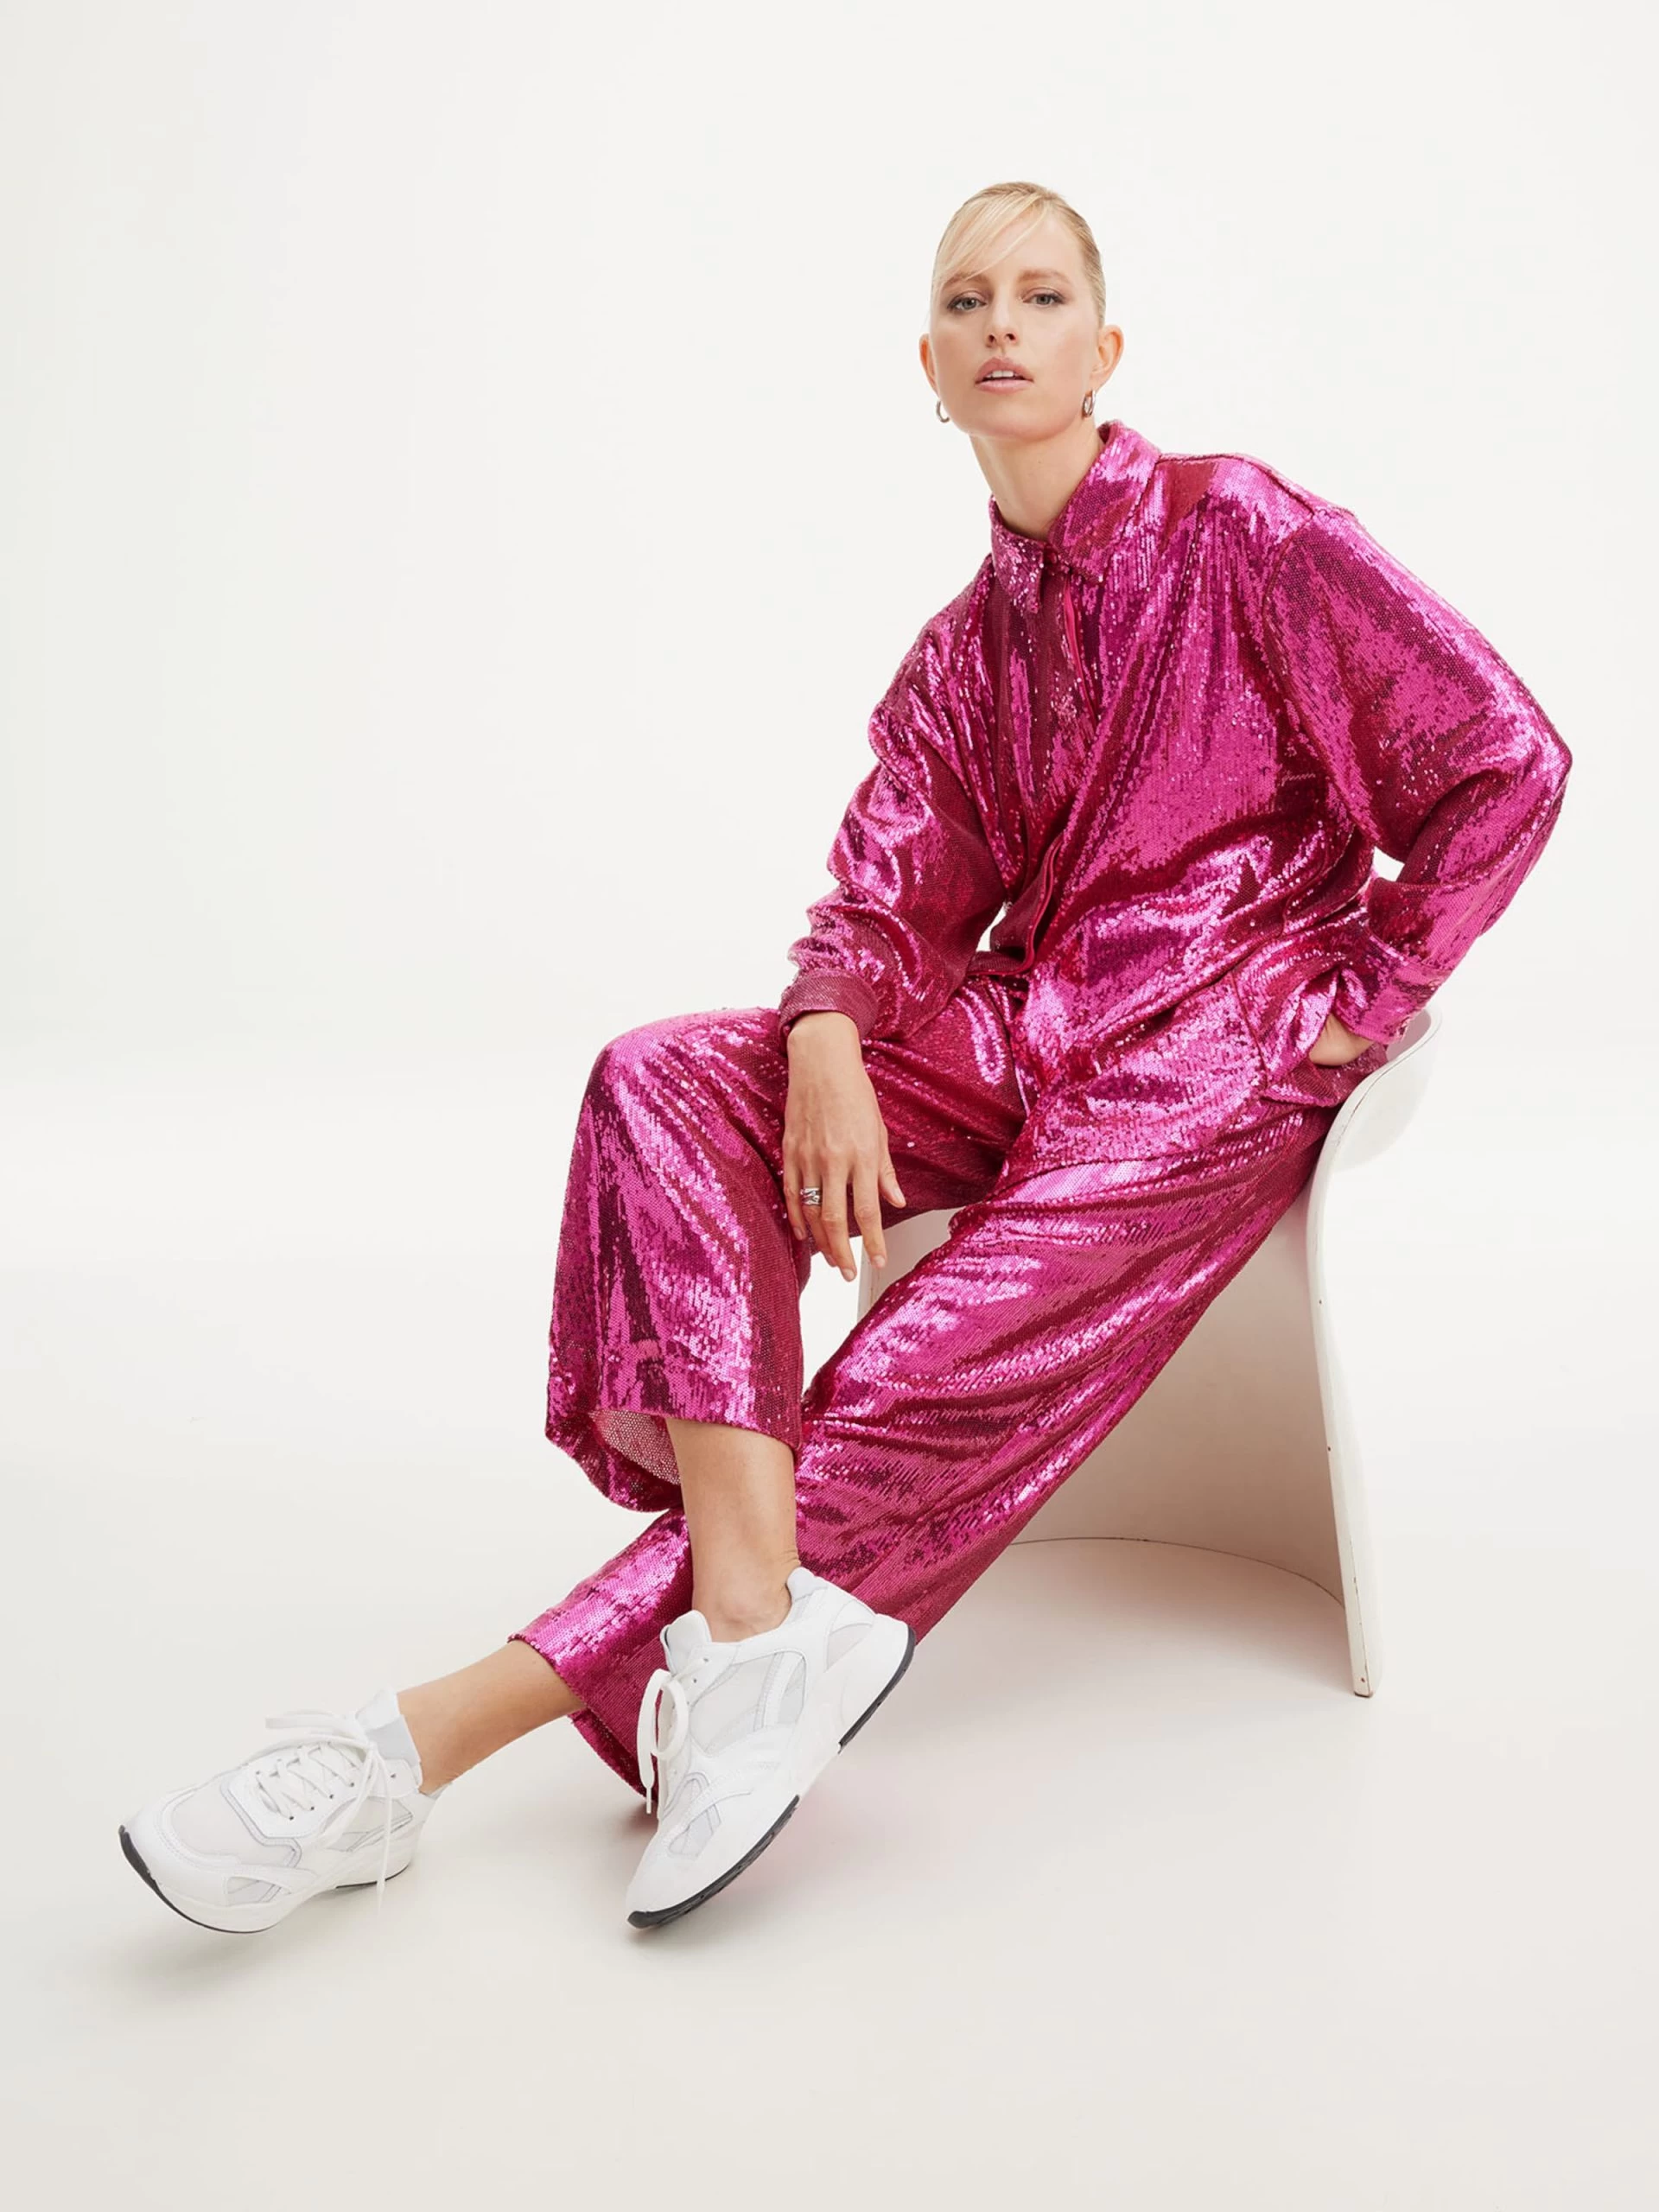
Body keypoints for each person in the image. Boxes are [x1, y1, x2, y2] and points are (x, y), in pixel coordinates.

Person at [118, 180, 1573, 1938]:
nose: (1003, 324)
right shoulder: (965, 653)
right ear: (929, 368)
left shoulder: (1243, 531)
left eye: (1042, 295)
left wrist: (1363, 994)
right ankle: (753, 1643)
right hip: (1031, 1031)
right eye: (967, 301)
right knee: (665, 1075)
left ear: (1105, 349)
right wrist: (820, 1033)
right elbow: (887, 897)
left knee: (902, 1368)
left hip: (1212, 1065)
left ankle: (403, 1753)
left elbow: (1506, 755)